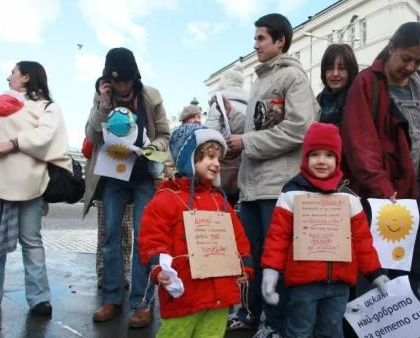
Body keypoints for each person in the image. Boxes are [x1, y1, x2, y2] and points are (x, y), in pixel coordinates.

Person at [226, 13, 321, 338]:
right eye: (255, 38)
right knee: (250, 255)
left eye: (261, 38)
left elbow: (300, 129)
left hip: (276, 187)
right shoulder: (259, 82)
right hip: (252, 187)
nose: (255, 45)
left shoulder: (293, 78)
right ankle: (250, 313)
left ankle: (275, 323)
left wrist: (247, 141)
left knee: (274, 258)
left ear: (281, 41)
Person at [341, 22, 420, 306]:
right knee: (373, 273)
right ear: (391, 48)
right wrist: (383, 190)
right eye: (407, 59)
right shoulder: (366, 83)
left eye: (419, 61)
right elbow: (361, 145)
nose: (412, 67)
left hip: (411, 194)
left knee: (407, 271)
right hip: (376, 198)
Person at [0, 61, 71, 317]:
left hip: (29, 182)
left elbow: (48, 135)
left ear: (27, 77)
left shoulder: (47, 107)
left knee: (31, 241)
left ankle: (39, 298)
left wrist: (12, 144)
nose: (8, 77)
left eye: (13, 73)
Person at [261, 123, 388, 337]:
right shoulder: (291, 194)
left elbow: (362, 242)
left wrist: (376, 273)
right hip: (304, 283)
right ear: (305, 158)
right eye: (315, 154)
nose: (321, 161)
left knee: (332, 331)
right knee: (299, 331)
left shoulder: (349, 198)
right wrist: (271, 272)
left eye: (329, 155)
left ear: (337, 160)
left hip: (340, 284)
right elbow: (277, 238)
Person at [138, 124, 253, 338]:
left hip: (221, 294)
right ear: (189, 159)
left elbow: (238, 238)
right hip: (185, 294)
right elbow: (152, 239)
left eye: (219, 158)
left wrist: (245, 266)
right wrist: (158, 268)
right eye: (209, 156)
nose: (216, 164)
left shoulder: (221, 202)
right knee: (175, 334)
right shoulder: (166, 200)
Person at [84, 47, 170, 328]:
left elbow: (165, 135)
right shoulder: (102, 96)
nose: (122, 86)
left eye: (126, 80)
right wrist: (104, 102)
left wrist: (149, 147)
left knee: (144, 239)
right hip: (113, 175)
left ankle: (142, 302)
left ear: (135, 76)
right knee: (110, 237)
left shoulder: (150, 96)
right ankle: (111, 298)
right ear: (107, 79)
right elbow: (92, 134)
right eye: (115, 81)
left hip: (143, 173)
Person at [81, 138, 133, 289]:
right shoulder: (102, 119)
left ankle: (122, 273)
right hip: (104, 183)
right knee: (107, 231)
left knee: (124, 230)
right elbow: (87, 149)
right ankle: (105, 274)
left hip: (127, 181)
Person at [205, 63, 249, 207]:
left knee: (219, 209)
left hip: (222, 168)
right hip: (244, 169)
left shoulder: (219, 105)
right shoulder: (249, 105)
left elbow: (209, 137)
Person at [316, 43, 358, 129]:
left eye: (342, 68)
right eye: (330, 68)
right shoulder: (318, 100)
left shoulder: (357, 99)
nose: (335, 74)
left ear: (350, 71)